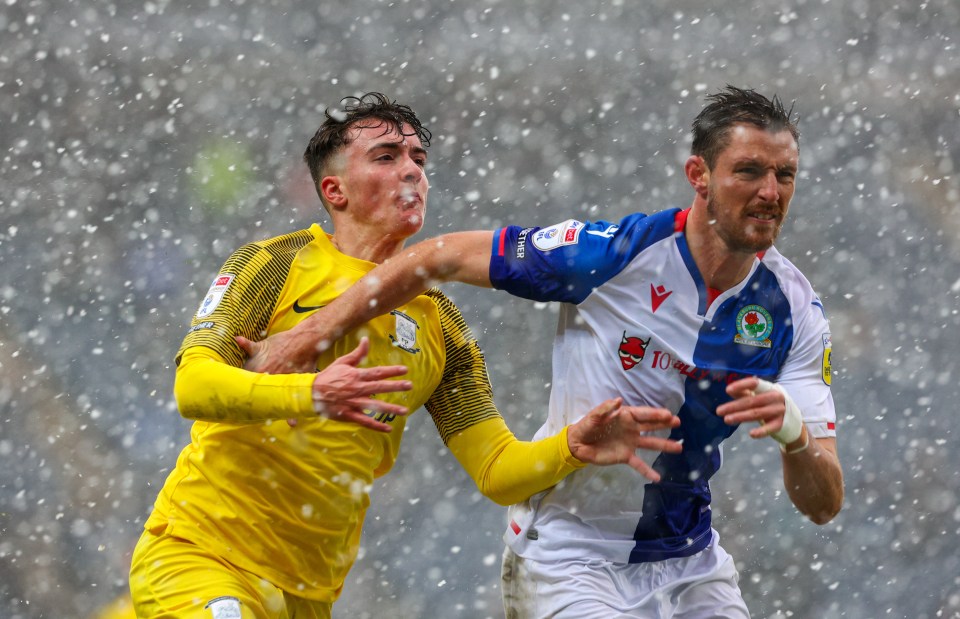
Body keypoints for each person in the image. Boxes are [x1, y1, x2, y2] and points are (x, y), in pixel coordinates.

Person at [241, 86, 844, 618]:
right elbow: (435, 257)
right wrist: (303, 338)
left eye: (784, 175)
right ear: (700, 175)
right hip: (571, 556)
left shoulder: (793, 311)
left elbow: (824, 504)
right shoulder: (610, 254)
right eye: (749, 171)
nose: (769, 192)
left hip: (692, 564)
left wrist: (795, 434)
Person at [128, 92, 683, 619]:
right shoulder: (274, 263)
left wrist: (570, 447)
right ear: (335, 191)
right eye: (386, 157)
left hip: (306, 592)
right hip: (199, 554)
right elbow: (193, 387)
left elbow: (494, 471)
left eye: (418, 157)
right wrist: (311, 392)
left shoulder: (441, 324)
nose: (413, 170)